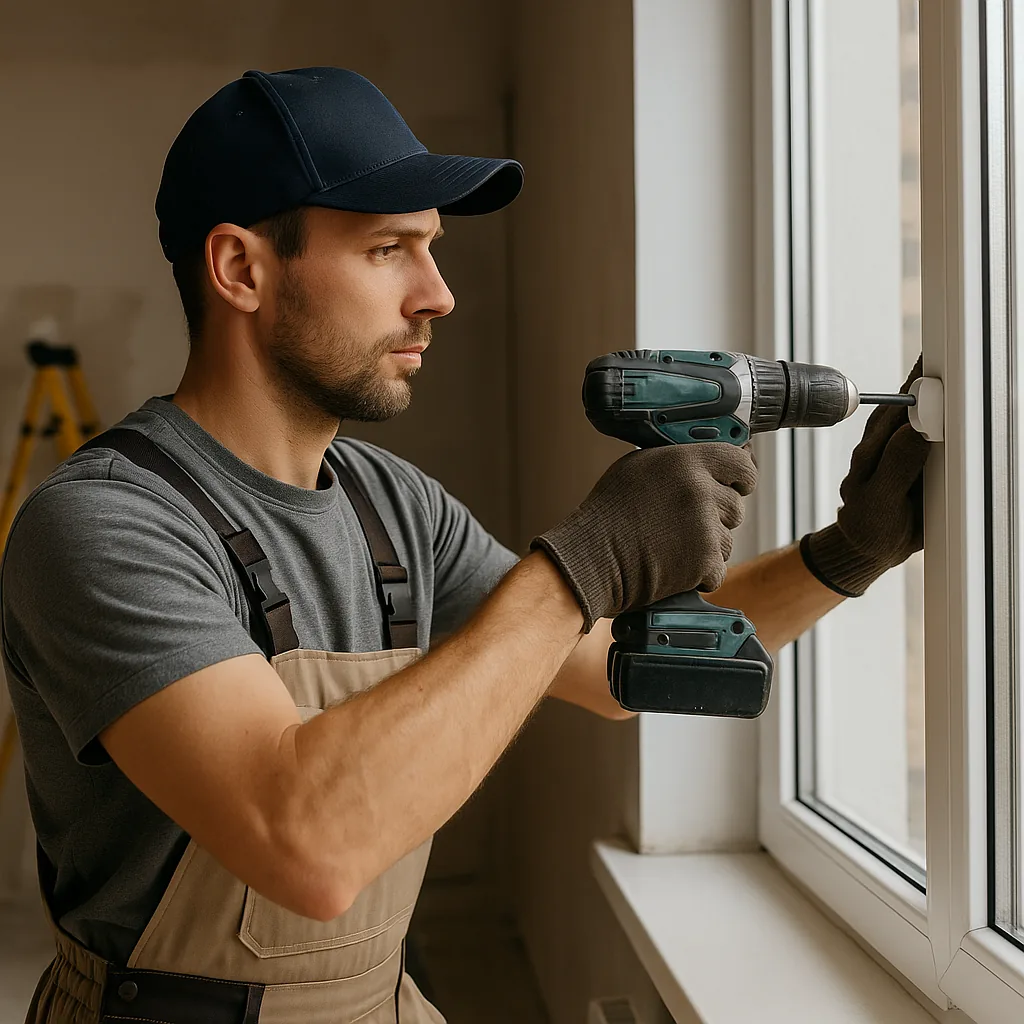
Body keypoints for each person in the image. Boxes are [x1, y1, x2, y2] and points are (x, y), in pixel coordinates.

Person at [0, 67, 929, 1024]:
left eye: (432, 249)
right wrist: (583, 564)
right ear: (241, 269)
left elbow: (614, 671)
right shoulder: (105, 526)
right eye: (388, 250)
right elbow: (303, 844)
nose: (437, 294)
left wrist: (849, 554)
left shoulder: (388, 503)